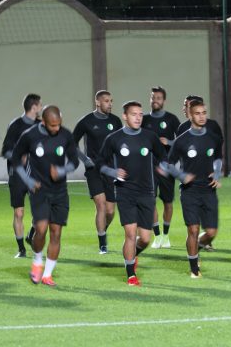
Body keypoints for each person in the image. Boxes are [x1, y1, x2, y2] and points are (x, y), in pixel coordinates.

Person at [97, 100, 166, 286]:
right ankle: (130, 275)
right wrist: (113, 172)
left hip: (147, 192)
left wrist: (165, 168)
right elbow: (100, 164)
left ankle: (133, 256)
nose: (138, 118)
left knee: (144, 238)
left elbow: (163, 157)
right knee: (130, 233)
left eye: (140, 114)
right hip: (125, 192)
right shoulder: (114, 139)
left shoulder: (150, 137)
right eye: (134, 114)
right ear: (125, 116)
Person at [11, 105, 79, 287]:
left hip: (60, 191)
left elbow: (74, 161)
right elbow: (15, 159)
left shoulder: (66, 135)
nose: (56, 129)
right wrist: (28, 181)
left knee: (56, 233)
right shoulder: (30, 136)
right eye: (52, 126)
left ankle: (47, 275)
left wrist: (62, 170)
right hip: (39, 190)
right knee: (41, 229)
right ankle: (37, 260)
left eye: (59, 125)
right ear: (44, 122)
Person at [162, 99, 223, 278]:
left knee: (211, 232)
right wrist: (182, 176)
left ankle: (197, 248)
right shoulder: (182, 141)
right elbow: (168, 164)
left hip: (209, 190)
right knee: (193, 230)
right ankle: (193, 267)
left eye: (204, 112)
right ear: (190, 115)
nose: (202, 116)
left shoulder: (213, 138)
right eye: (197, 113)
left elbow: (218, 158)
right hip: (190, 192)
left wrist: (217, 173)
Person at [72, 90, 123, 255]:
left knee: (110, 211)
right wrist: (85, 160)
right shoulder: (86, 121)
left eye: (111, 101)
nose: (110, 104)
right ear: (98, 102)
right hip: (93, 170)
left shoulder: (115, 121)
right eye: (106, 101)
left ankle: (102, 229)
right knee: (100, 205)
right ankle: (103, 245)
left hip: (109, 170)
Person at [2, 94, 41, 258]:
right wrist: (19, 155)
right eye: (40, 105)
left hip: (36, 175)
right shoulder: (15, 126)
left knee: (40, 213)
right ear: (34, 107)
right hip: (17, 175)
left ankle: (31, 234)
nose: (41, 108)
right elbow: (5, 151)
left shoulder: (41, 125)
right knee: (19, 213)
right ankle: (21, 249)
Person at [142, 86, 181, 249]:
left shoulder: (172, 119)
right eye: (152, 98)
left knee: (167, 202)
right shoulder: (143, 120)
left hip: (166, 167)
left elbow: (182, 142)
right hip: (149, 167)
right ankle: (157, 235)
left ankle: (166, 235)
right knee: (150, 201)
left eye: (158, 98)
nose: (155, 100)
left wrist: (169, 142)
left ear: (164, 100)